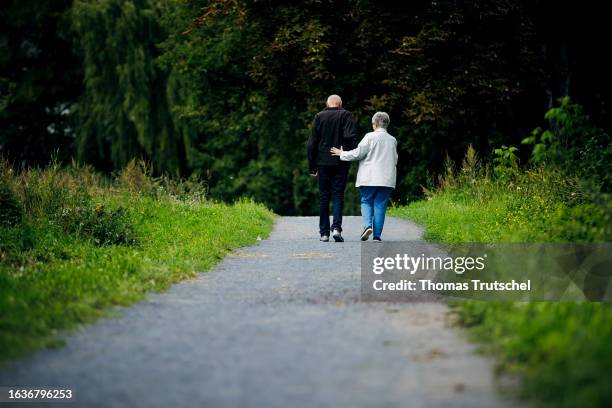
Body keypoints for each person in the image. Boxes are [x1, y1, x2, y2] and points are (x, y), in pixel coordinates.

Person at [330, 112, 397, 241]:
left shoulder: (369, 137)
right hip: (387, 179)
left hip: (369, 177)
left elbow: (358, 154)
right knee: (380, 206)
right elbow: (395, 159)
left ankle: (367, 226)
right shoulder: (392, 140)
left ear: (375, 124)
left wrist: (341, 153)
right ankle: (377, 236)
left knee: (366, 201)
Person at [308, 95, 357, 242]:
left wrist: (312, 166)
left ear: (327, 104)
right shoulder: (346, 115)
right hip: (340, 161)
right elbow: (350, 136)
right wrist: (346, 151)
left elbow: (312, 143)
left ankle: (324, 233)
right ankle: (336, 228)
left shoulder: (319, 116)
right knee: (338, 195)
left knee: (324, 197)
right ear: (340, 104)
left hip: (322, 162)